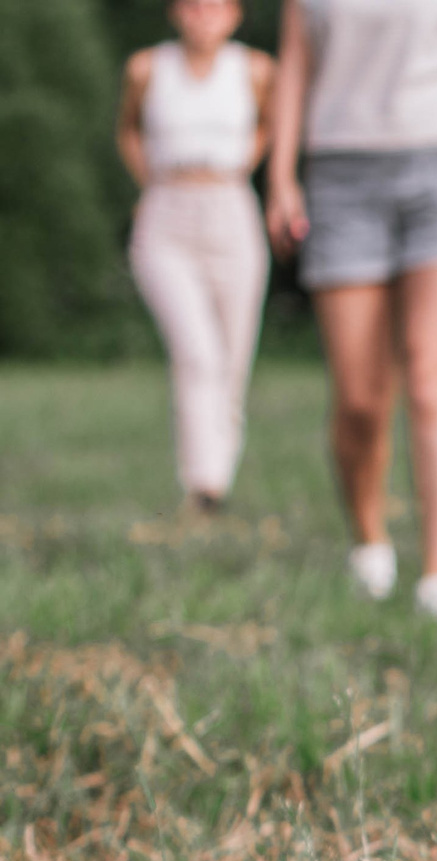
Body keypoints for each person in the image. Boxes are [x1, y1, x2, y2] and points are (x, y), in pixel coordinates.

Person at [263, 0, 437, 619]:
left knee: (430, 378)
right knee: (361, 400)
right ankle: (369, 543)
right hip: (342, 171)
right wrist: (281, 176)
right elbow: (295, 65)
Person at [117, 0, 274, 516]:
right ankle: (202, 481)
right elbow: (129, 129)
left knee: (232, 355)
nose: (203, 16)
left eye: (214, 6)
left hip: (230, 209)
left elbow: (269, 125)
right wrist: (150, 181)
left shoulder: (255, 70)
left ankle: (220, 474)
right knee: (197, 352)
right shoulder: (146, 68)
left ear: (234, 15)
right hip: (167, 214)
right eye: (193, 6)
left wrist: (242, 165)